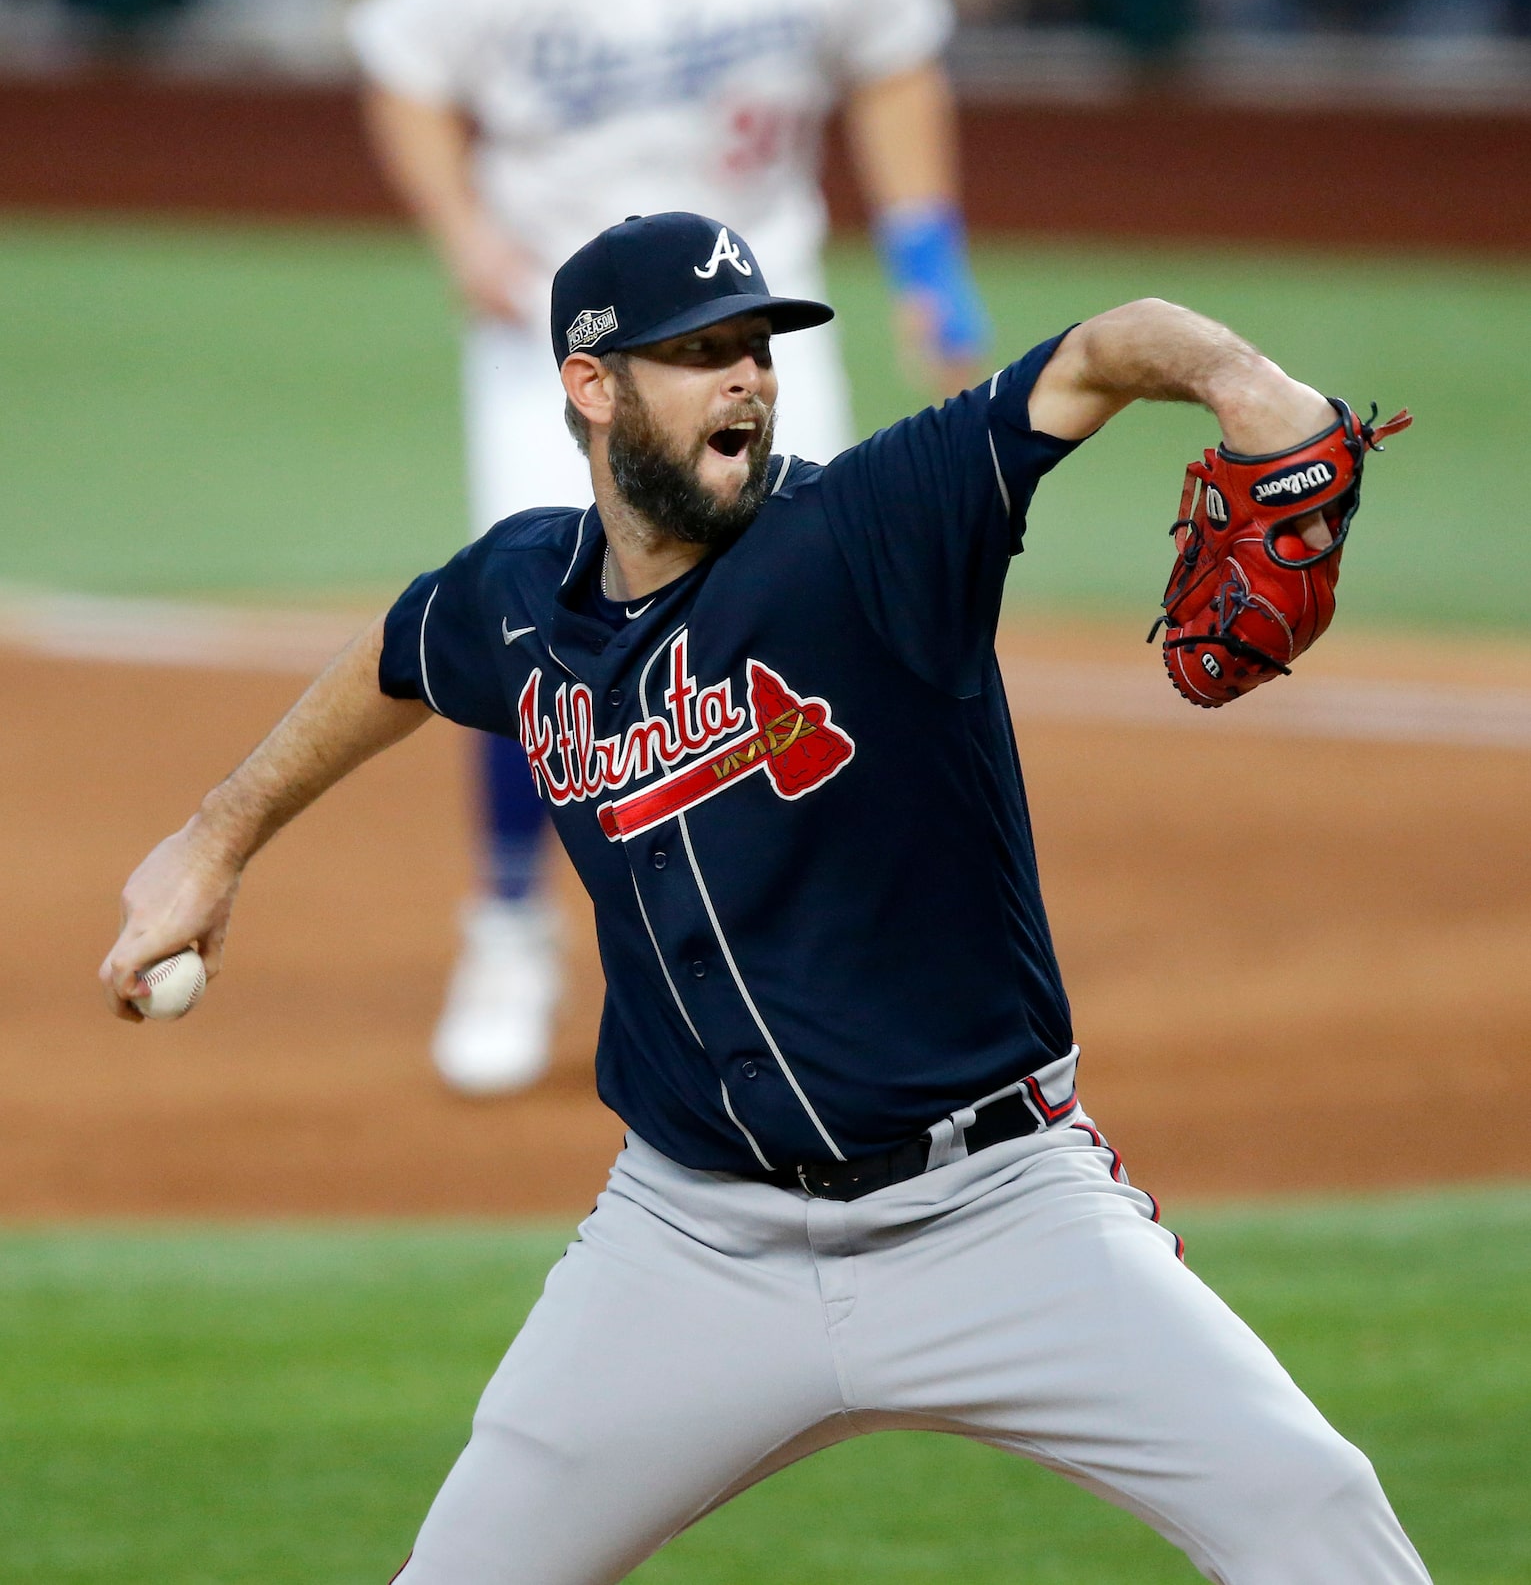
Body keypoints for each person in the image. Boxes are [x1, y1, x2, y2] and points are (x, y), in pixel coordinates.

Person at [101, 211, 1431, 1585]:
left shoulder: (871, 532)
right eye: (699, 352)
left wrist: (1246, 385)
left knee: (1314, 1515)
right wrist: (213, 843)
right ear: (592, 385)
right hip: (691, 1245)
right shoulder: (521, 597)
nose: (747, 377)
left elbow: (1102, 352)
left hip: (1000, 1212)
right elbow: (394, 659)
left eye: (757, 347)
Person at [348, 0, 990, 1097]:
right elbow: (403, 67)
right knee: (545, 612)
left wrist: (928, 260)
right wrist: (462, 230)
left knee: (799, 595)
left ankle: (809, 922)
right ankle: (510, 927)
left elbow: (894, 63)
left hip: (754, 315)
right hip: (560, 330)